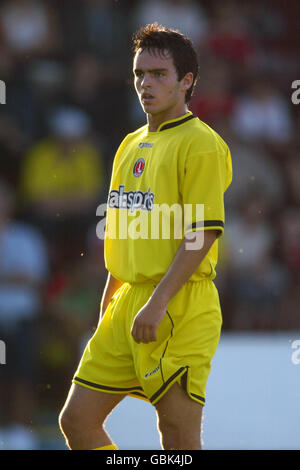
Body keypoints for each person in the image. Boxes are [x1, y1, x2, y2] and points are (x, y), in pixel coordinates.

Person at [59, 23, 232, 450]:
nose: (145, 84)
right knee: (77, 421)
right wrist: (107, 307)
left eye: (158, 74)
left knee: (176, 436)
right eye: (139, 74)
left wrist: (157, 303)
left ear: (186, 81)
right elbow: (122, 237)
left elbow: (201, 236)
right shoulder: (128, 144)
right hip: (126, 301)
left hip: (178, 303)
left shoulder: (201, 144)